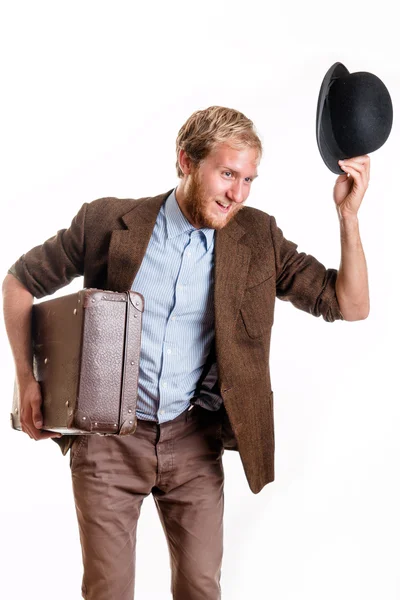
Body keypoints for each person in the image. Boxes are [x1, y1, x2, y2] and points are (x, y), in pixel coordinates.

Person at [2, 105, 370, 600]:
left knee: (201, 588)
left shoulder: (258, 238)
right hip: (110, 441)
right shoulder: (107, 222)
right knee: (108, 591)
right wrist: (28, 381)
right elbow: (19, 283)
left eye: (248, 179)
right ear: (186, 161)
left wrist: (348, 217)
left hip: (193, 441)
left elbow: (351, 304)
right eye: (226, 174)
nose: (237, 194)